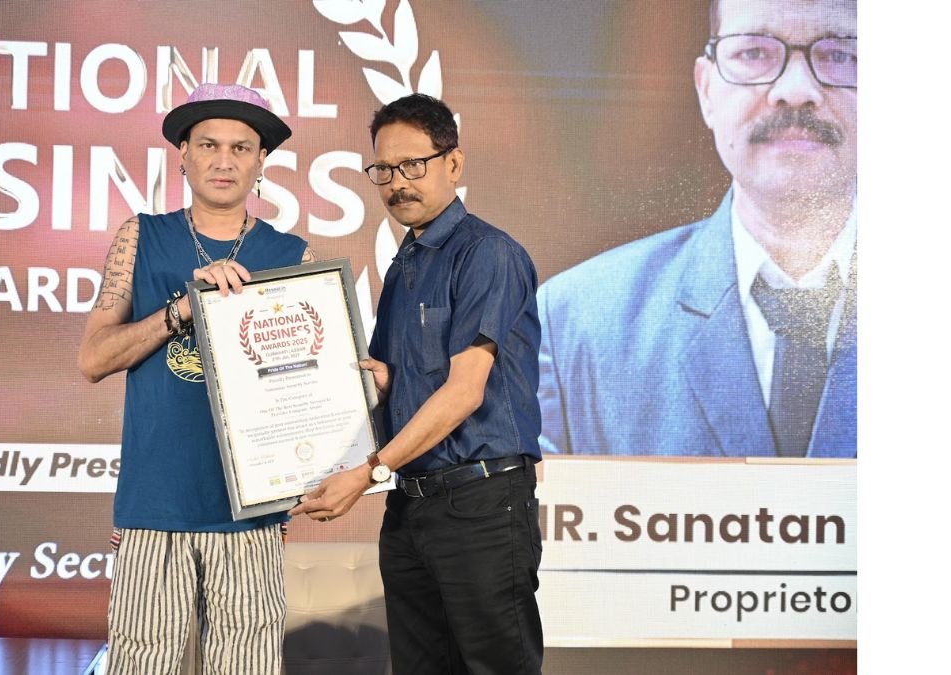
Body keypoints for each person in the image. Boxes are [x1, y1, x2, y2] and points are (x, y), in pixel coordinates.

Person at [291, 93, 544, 674]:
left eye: (413, 165)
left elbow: (464, 391)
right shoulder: (405, 263)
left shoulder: (487, 253)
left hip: (481, 505)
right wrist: (384, 385)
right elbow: (408, 382)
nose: (397, 183)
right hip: (410, 506)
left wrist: (368, 471)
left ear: (453, 163)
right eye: (383, 170)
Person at [537, 0, 857, 458]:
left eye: (841, 54)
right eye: (754, 53)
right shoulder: (573, 326)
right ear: (706, 90)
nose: (795, 90)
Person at [77, 83, 315, 675]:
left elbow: (309, 391)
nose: (224, 160)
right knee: (141, 666)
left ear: (261, 161)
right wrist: (184, 309)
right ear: (183, 153)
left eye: (241, 147)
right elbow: (94, 358)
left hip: (252, 511)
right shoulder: (141, 236)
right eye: (209, 144)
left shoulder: (293, 255)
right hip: (154, 505)